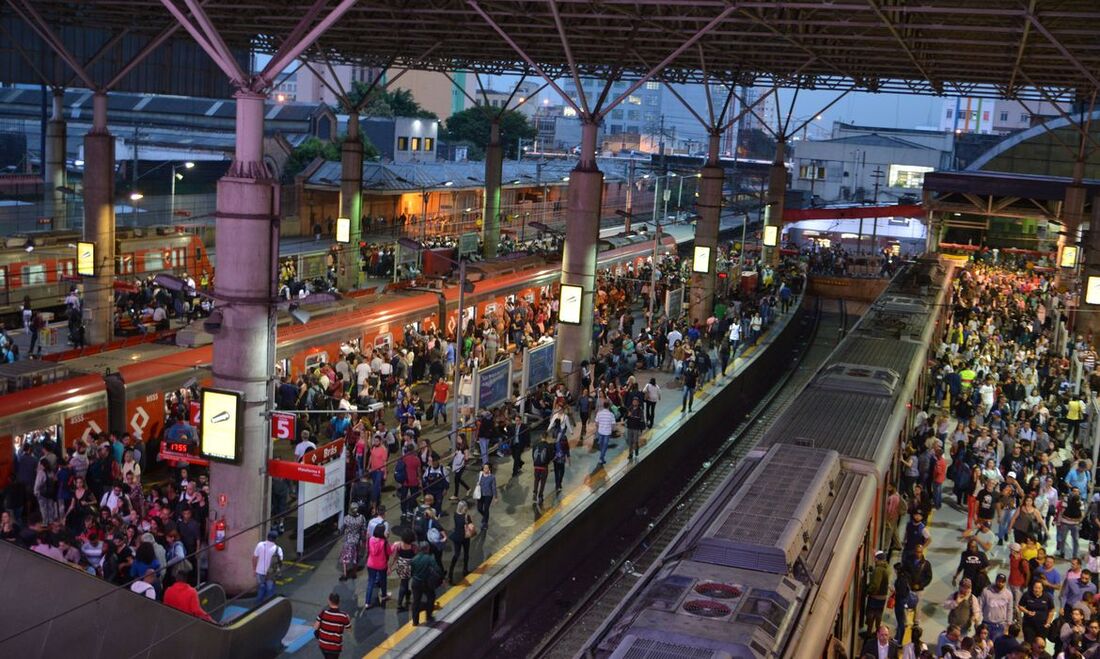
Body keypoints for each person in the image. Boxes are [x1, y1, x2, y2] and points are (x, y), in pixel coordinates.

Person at [410, 540, 442, 626]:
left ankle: (415, 621)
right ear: (427, 548)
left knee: (416, 601)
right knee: (431, 597)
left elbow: (411, 572)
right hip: (426, 583)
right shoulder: (429, 558)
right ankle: (428, 616)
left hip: (415, 582)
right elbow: (438, 569)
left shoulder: (414, 559)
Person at [314, 592, 351, 658]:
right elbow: (349, 630)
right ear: (339, 602)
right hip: (335, 647)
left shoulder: (323, 613)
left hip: (323, 645)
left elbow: (315, 627)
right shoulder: (344, 616)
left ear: (329, 601)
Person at [364, 523, 392, 609]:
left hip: (371, 564)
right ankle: (384, 595)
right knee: (383, 580)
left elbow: (368, 549)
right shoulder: (384, 542)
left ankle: (367, 603)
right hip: (381, 565)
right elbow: (389, 552)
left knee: (370, 582)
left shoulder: (371, 539)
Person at [252, 529, 283, 603]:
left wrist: (254, 569)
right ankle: (269, 606)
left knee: (261, 588)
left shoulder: (260, 545)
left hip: (259, 572)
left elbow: (254, 558)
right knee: (270, 590)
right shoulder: (278, 549)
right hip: (271, 573)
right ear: (276, 539)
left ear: (267, 537)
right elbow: (280, 561)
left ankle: (258, 606)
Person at [979, 573, 1013, 641]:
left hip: (1000, 625)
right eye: (999, 581)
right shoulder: (986, 591)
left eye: (1002, 582)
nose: (1000, 583)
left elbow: (1009, 610)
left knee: (996, 646)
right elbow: (980, 606)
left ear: (1005, 582)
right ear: (996, 580)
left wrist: (1008, 625)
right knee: (983, 644)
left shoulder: (1008, 594)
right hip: (986, 624)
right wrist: (979, 622)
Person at [391, 528, 417, 612]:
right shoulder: (413, 547)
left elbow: (395, 556)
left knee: (403, 583)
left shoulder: (398, 545)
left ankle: (401, 602)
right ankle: (406, 598)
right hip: (410, 566)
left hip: (401, 566)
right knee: (408, 583)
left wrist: (390, 567)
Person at [865, 550, 891, 634]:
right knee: (879, 614)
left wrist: (867, 591)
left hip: (875, 596)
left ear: (877, 559)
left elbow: (875, 585)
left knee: (871, 615)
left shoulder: (878, 570)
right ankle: (877, 631)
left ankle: (869, 632)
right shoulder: (887, 567)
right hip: (883, 596)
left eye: (875, 558)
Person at [339, 503, 366, 581]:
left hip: (348, 540)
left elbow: (342, 528)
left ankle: (345, 574)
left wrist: (341, 532)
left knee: (345, 557)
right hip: (357, 540)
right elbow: (363, 529)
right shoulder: (361, 518)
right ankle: (354, 573)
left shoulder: (347, 518)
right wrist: (362, 539)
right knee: (355, 557)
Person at [449, 500, 474, 583]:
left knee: (456, 555)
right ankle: (465, 570)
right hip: (465, 537)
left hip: (457, 537)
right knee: (466, 553)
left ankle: (450, 574)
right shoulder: (466, 517)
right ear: (464, 508)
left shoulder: (455, 515)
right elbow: (471, 526)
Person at [531, 433, 553, 504]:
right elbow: (550, 457)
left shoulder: (535, 445)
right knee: (543, 482)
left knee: (536, 480)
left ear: (541, 436)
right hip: (544, 467)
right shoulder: (548, 446)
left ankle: (534, 492)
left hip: (536, 466)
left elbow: (533, 455)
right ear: (547, 437)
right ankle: (540, 496)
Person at [475, 463, 497, 530]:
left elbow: (493, 487)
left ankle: (485, 523)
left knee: (486, 509)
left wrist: (495, 497)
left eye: (486, 468)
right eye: (484, 468)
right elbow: (477, 481)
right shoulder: (480, 474)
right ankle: (485, 516)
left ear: (489, 469)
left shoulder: (492, 477)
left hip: (488, 495)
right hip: (480, 494)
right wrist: (477, 483)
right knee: (479, 508)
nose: (485, 469)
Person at [594, 400, 616, 466]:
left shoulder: (599, 413)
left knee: (601, 444)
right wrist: (611, 430)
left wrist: (598, 429)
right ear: (609, 406)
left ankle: (601, 457)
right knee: (605, 445)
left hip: (600, 432)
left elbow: (596, 423)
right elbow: (613, 425)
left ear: (603, 406)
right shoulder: (611, 414)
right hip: (607, 433)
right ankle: (602, 457)